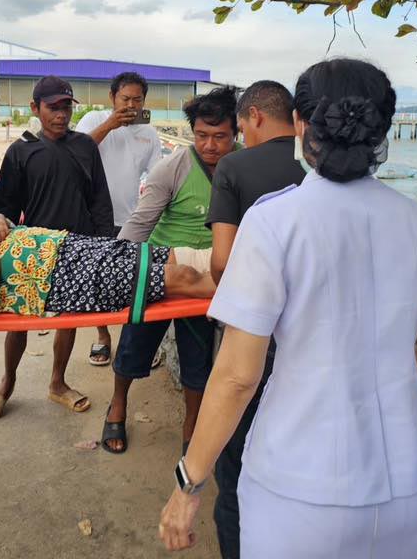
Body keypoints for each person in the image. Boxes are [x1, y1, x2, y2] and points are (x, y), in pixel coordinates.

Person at [158, 59, 417, 557]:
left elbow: (237, 376)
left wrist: (189, 484)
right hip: (405, 484)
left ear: (301, 124)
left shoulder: (274, 222)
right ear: (381, 129)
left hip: (296, 481)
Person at [103, 86, 239, 454]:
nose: (209, 145)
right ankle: (117, 404)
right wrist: (116, 265)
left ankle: (191, 425)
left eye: (220, 136)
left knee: (198, 359)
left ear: (236, 132)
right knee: (134, 346)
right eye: (201, 135)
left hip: (210, 280)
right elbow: (139, 224)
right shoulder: (172, 168)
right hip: (164, 272)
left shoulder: (244, 168)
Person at [204, 80, 306, 559]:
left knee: (236, 459)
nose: (241, 136)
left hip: (255, 331)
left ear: (256, 117)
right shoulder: (319, 168)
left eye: (241, 126)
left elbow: (223, 263)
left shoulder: (234, 166)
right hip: (309, 340)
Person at [0, 75, 114, 422]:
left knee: (68, 321)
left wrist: (104, 246)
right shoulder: (21, 151)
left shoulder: (85, 147)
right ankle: (7, 382)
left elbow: (100, 201)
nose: (61, 114)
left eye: (66, 106)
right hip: (34, 251)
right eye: (53, 107)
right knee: (19, 321)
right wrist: (0, 239)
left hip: (77, 247)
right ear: (35, 108)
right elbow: (6, 209)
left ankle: (57, 382)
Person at [0, 214, 216, 315]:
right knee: (183, 276)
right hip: (60, 281)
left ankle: (235, 268)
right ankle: (243, 291)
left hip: (64, 246)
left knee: (170, 257)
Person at [75, 72, 163, 365]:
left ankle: (133, 344)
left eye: (137, 100)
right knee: (97, 280)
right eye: (125, 99)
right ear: (112, 97)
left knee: (135, 281)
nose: (131, 105)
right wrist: (110, 124)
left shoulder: (149, 133)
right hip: (93, 216)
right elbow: (76, 152)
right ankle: (102, 337)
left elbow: (156, 175)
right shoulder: (94, 119)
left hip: (132, 218)